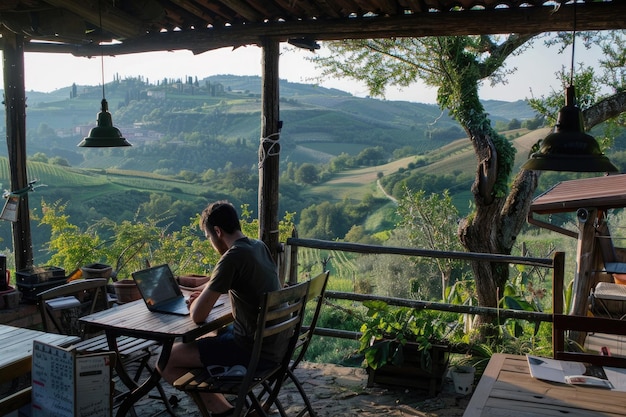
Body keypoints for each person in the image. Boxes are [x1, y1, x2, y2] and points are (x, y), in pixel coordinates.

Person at [158, 200, 283, 416]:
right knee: (207, 336)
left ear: (217, 231)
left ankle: (223, 412)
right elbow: (214, 284)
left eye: (208, 238)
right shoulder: (257, 246)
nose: (211, 243)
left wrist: (196, 302)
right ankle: (229, 409)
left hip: (253, 351)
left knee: (165, 359)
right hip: (277, 344)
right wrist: (203, 293)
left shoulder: (232, 257)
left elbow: (197, 316)